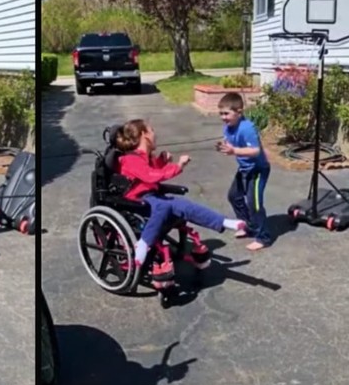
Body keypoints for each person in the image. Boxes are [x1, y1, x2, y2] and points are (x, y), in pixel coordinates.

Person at [114, 119, 246, 272]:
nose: (155, 134)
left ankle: (223, 222)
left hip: (152, 197)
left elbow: (151, 170)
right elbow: (150, 176)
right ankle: (143, 244)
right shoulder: (130, 159)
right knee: (164, 205)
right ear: (145, 135)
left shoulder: (144, 157)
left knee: (184, 205)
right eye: (152, 130)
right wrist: (178, 167)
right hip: (137, 202)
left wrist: (162, 161)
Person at [217, 93, 272, 251]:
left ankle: (263, 237)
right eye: (221, 113)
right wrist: (224, 145)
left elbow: (255, 151)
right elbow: (229, 141)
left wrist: (234, 150)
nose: (223, 117)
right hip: (244, 168)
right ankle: (248, 225)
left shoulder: (247, 128)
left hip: (258, 169)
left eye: (227, 113)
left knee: (254, 204)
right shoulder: (228, 127)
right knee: (234, 196)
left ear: (239, 112)